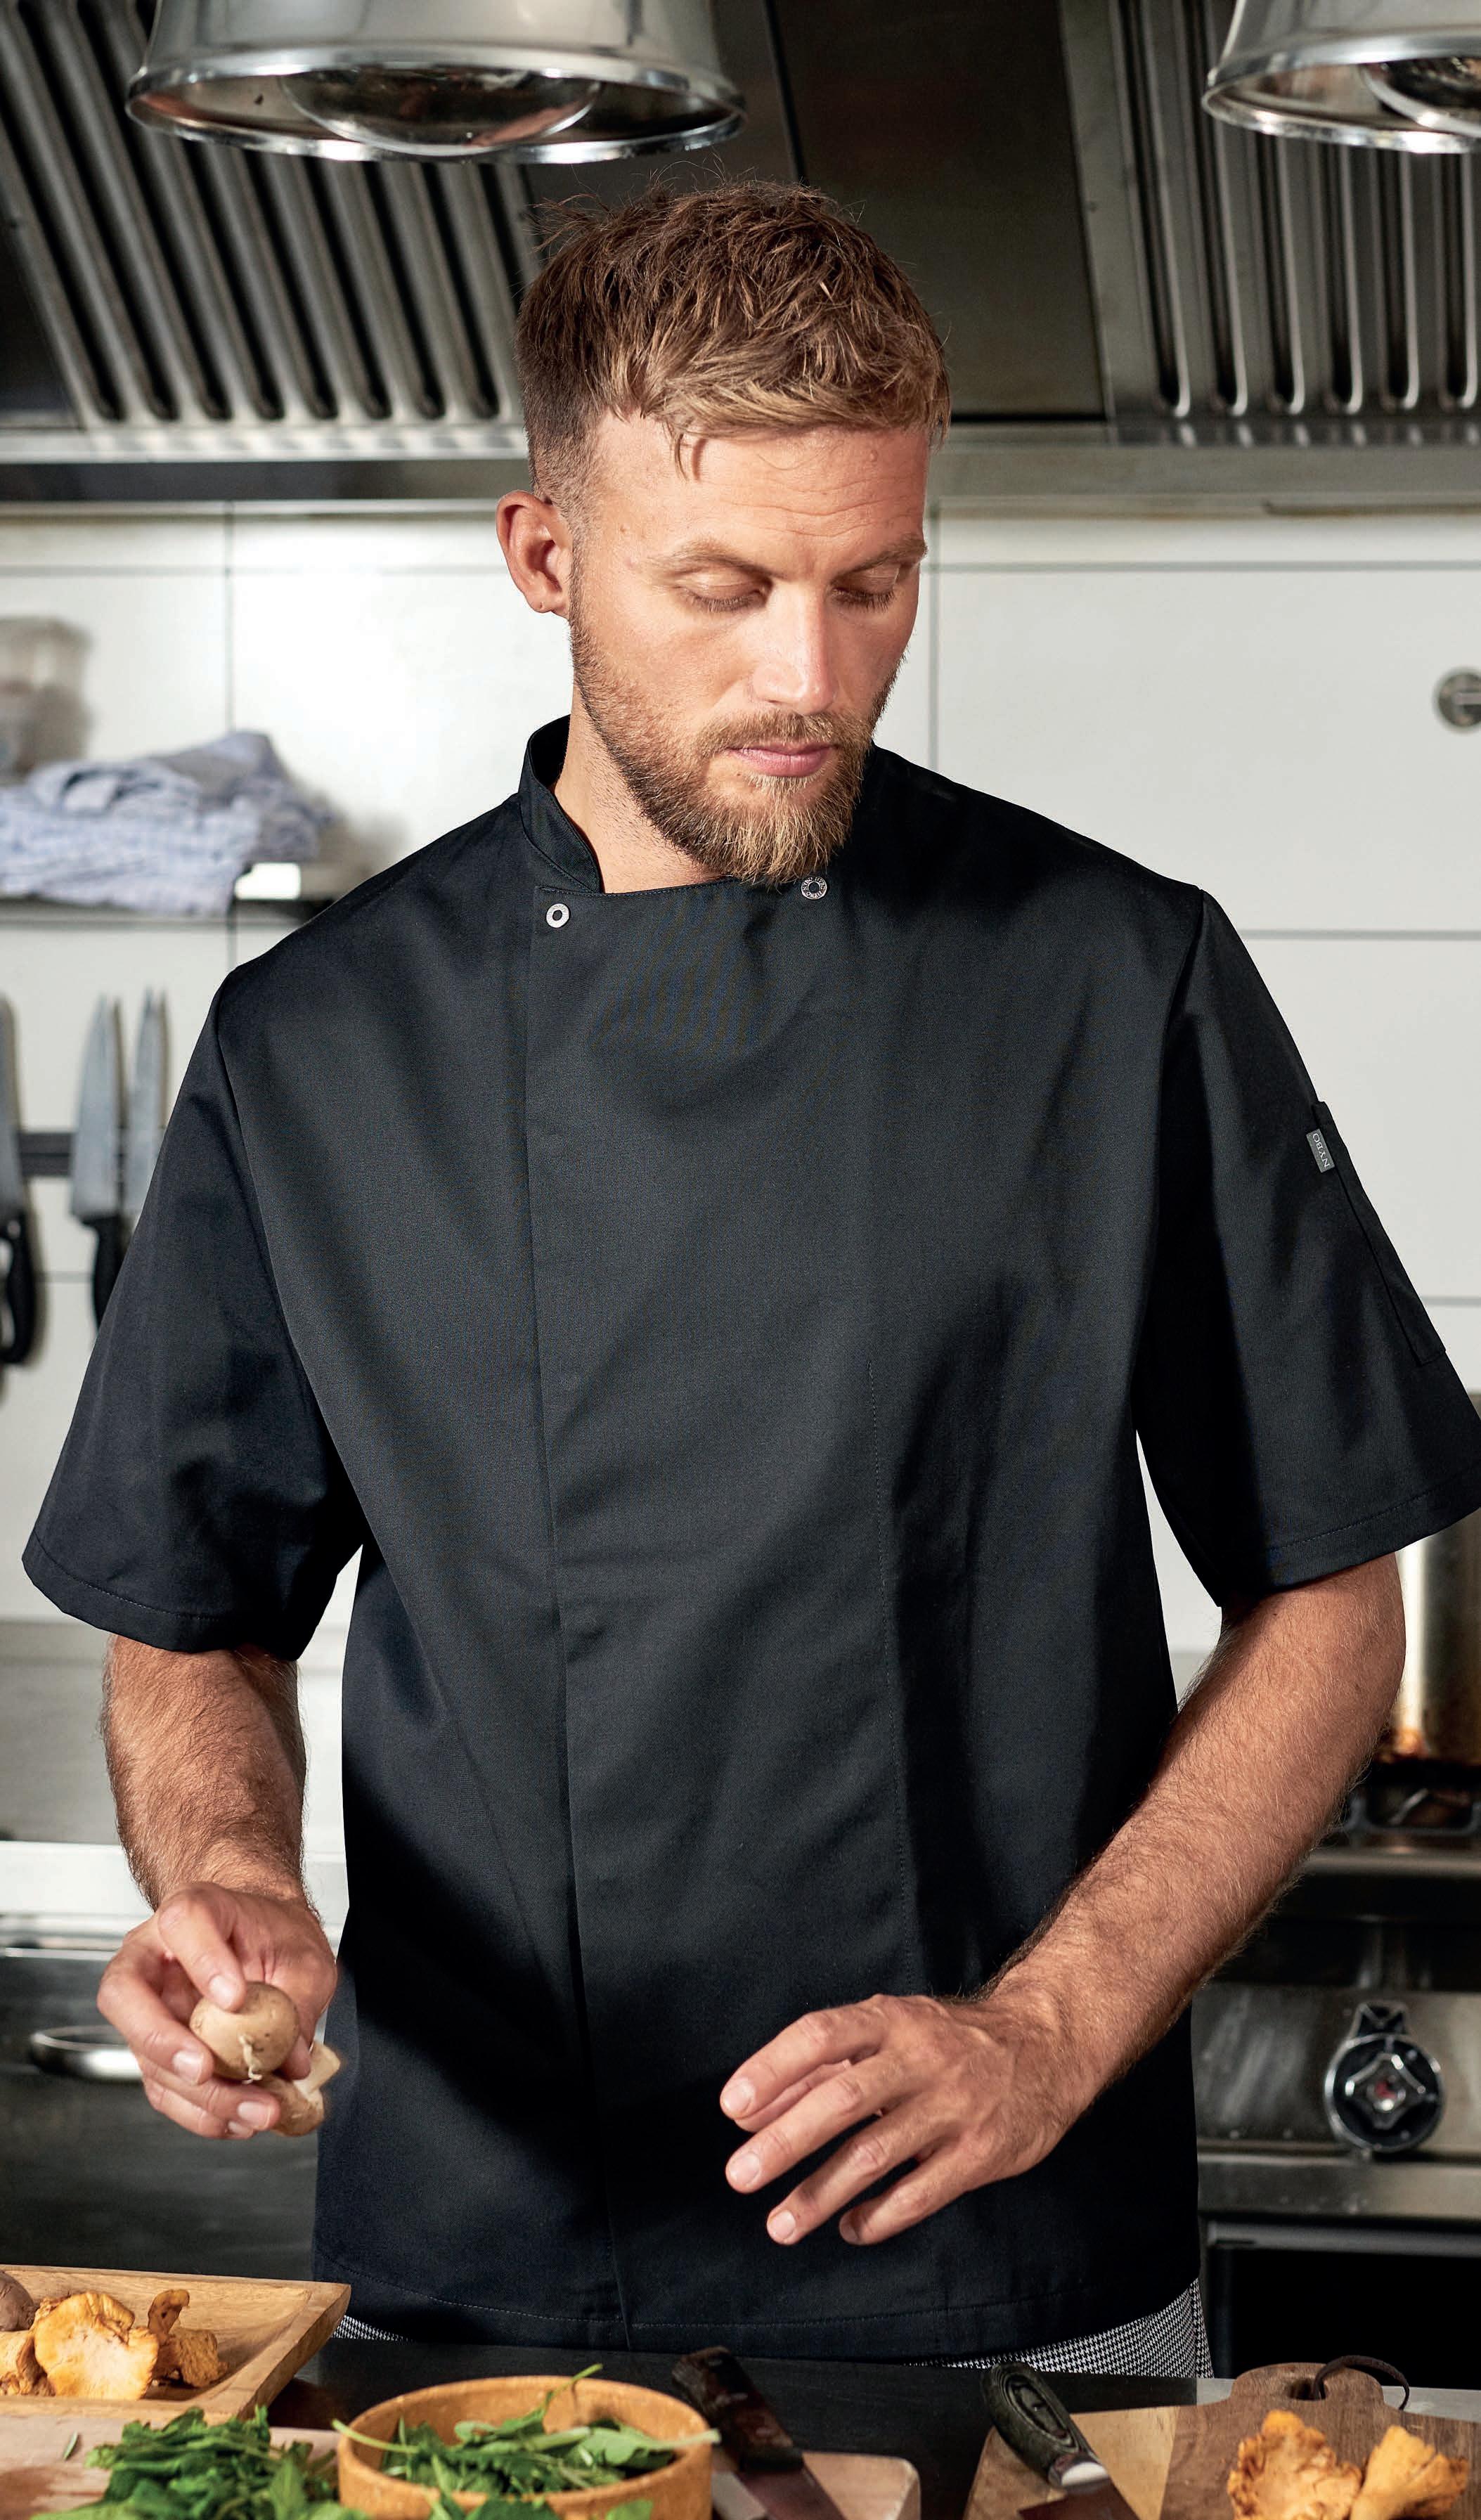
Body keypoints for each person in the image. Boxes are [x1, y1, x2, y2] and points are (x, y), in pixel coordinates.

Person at [25, 182, 1481, 2374]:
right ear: (544, 555)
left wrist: (1047, 2026)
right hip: (492, 2256)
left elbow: (1329, 1589)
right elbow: (193, 1615)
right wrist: (228, 1875)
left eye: (870, 582)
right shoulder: (315, 1049)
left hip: (1001, 2242)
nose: (809, 676)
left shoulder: (1112, 979)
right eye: (721, 587)